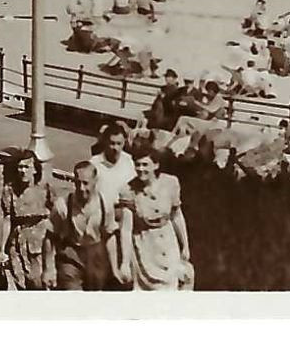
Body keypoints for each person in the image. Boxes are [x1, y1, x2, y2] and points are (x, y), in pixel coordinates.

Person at [114, 147, 192, 290]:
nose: (140, 169)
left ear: (156, 165)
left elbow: (177, 215)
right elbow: (126, 229)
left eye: (145, 165)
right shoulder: (128, 190)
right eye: (137, 164)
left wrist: (185, 245)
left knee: (172, 287)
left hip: (169, 243)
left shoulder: (170, 183)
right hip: (145, 246)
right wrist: (125, 262)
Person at [52, 160, 118, 290]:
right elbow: (50, 236)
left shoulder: (105, 204)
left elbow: (110, 236)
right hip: (72, 254)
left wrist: (115, 268)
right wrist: (49, 268)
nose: (81, 188)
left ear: (95, 181)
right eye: (77, 183)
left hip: (96, 255)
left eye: (85, 183)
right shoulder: (63, 204)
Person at [0, 151, 55, 290]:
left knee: (38, 283)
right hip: (17, 244)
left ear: (35, 169)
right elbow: (7, 219)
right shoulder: (9, 190)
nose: (22, 171)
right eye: (20, 167)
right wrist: (1, 250)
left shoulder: (45, 189)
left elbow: (55, 217)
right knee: (20, 282)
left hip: (39, 244)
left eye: (26, 167)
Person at [89, 121, 136, 213]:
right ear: (105, 142)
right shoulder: (94, 163)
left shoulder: (129, 161)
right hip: (99, 211)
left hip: (122, 211)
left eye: (119, 144)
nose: (115, 148)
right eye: (112, 143)